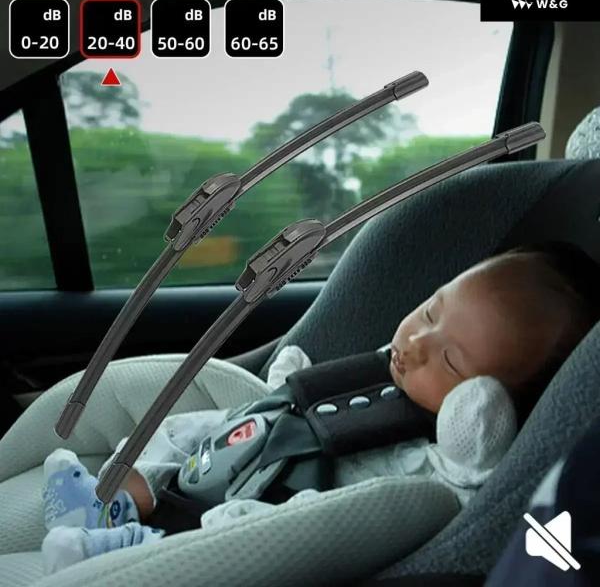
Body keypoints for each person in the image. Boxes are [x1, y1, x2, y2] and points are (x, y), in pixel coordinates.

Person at [40, 241, 600, 573]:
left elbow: (358, 514)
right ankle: (122, 497)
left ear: (484, 405)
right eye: (431, 311)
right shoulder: (388, 369)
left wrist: (470, 437)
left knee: (248, 526)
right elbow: (305, 399)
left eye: (451, 361)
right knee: (193, 428)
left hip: (285, 505)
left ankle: (139, 547)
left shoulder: (430, 473)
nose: (414, 343)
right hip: (264, 441)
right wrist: (290, 384)